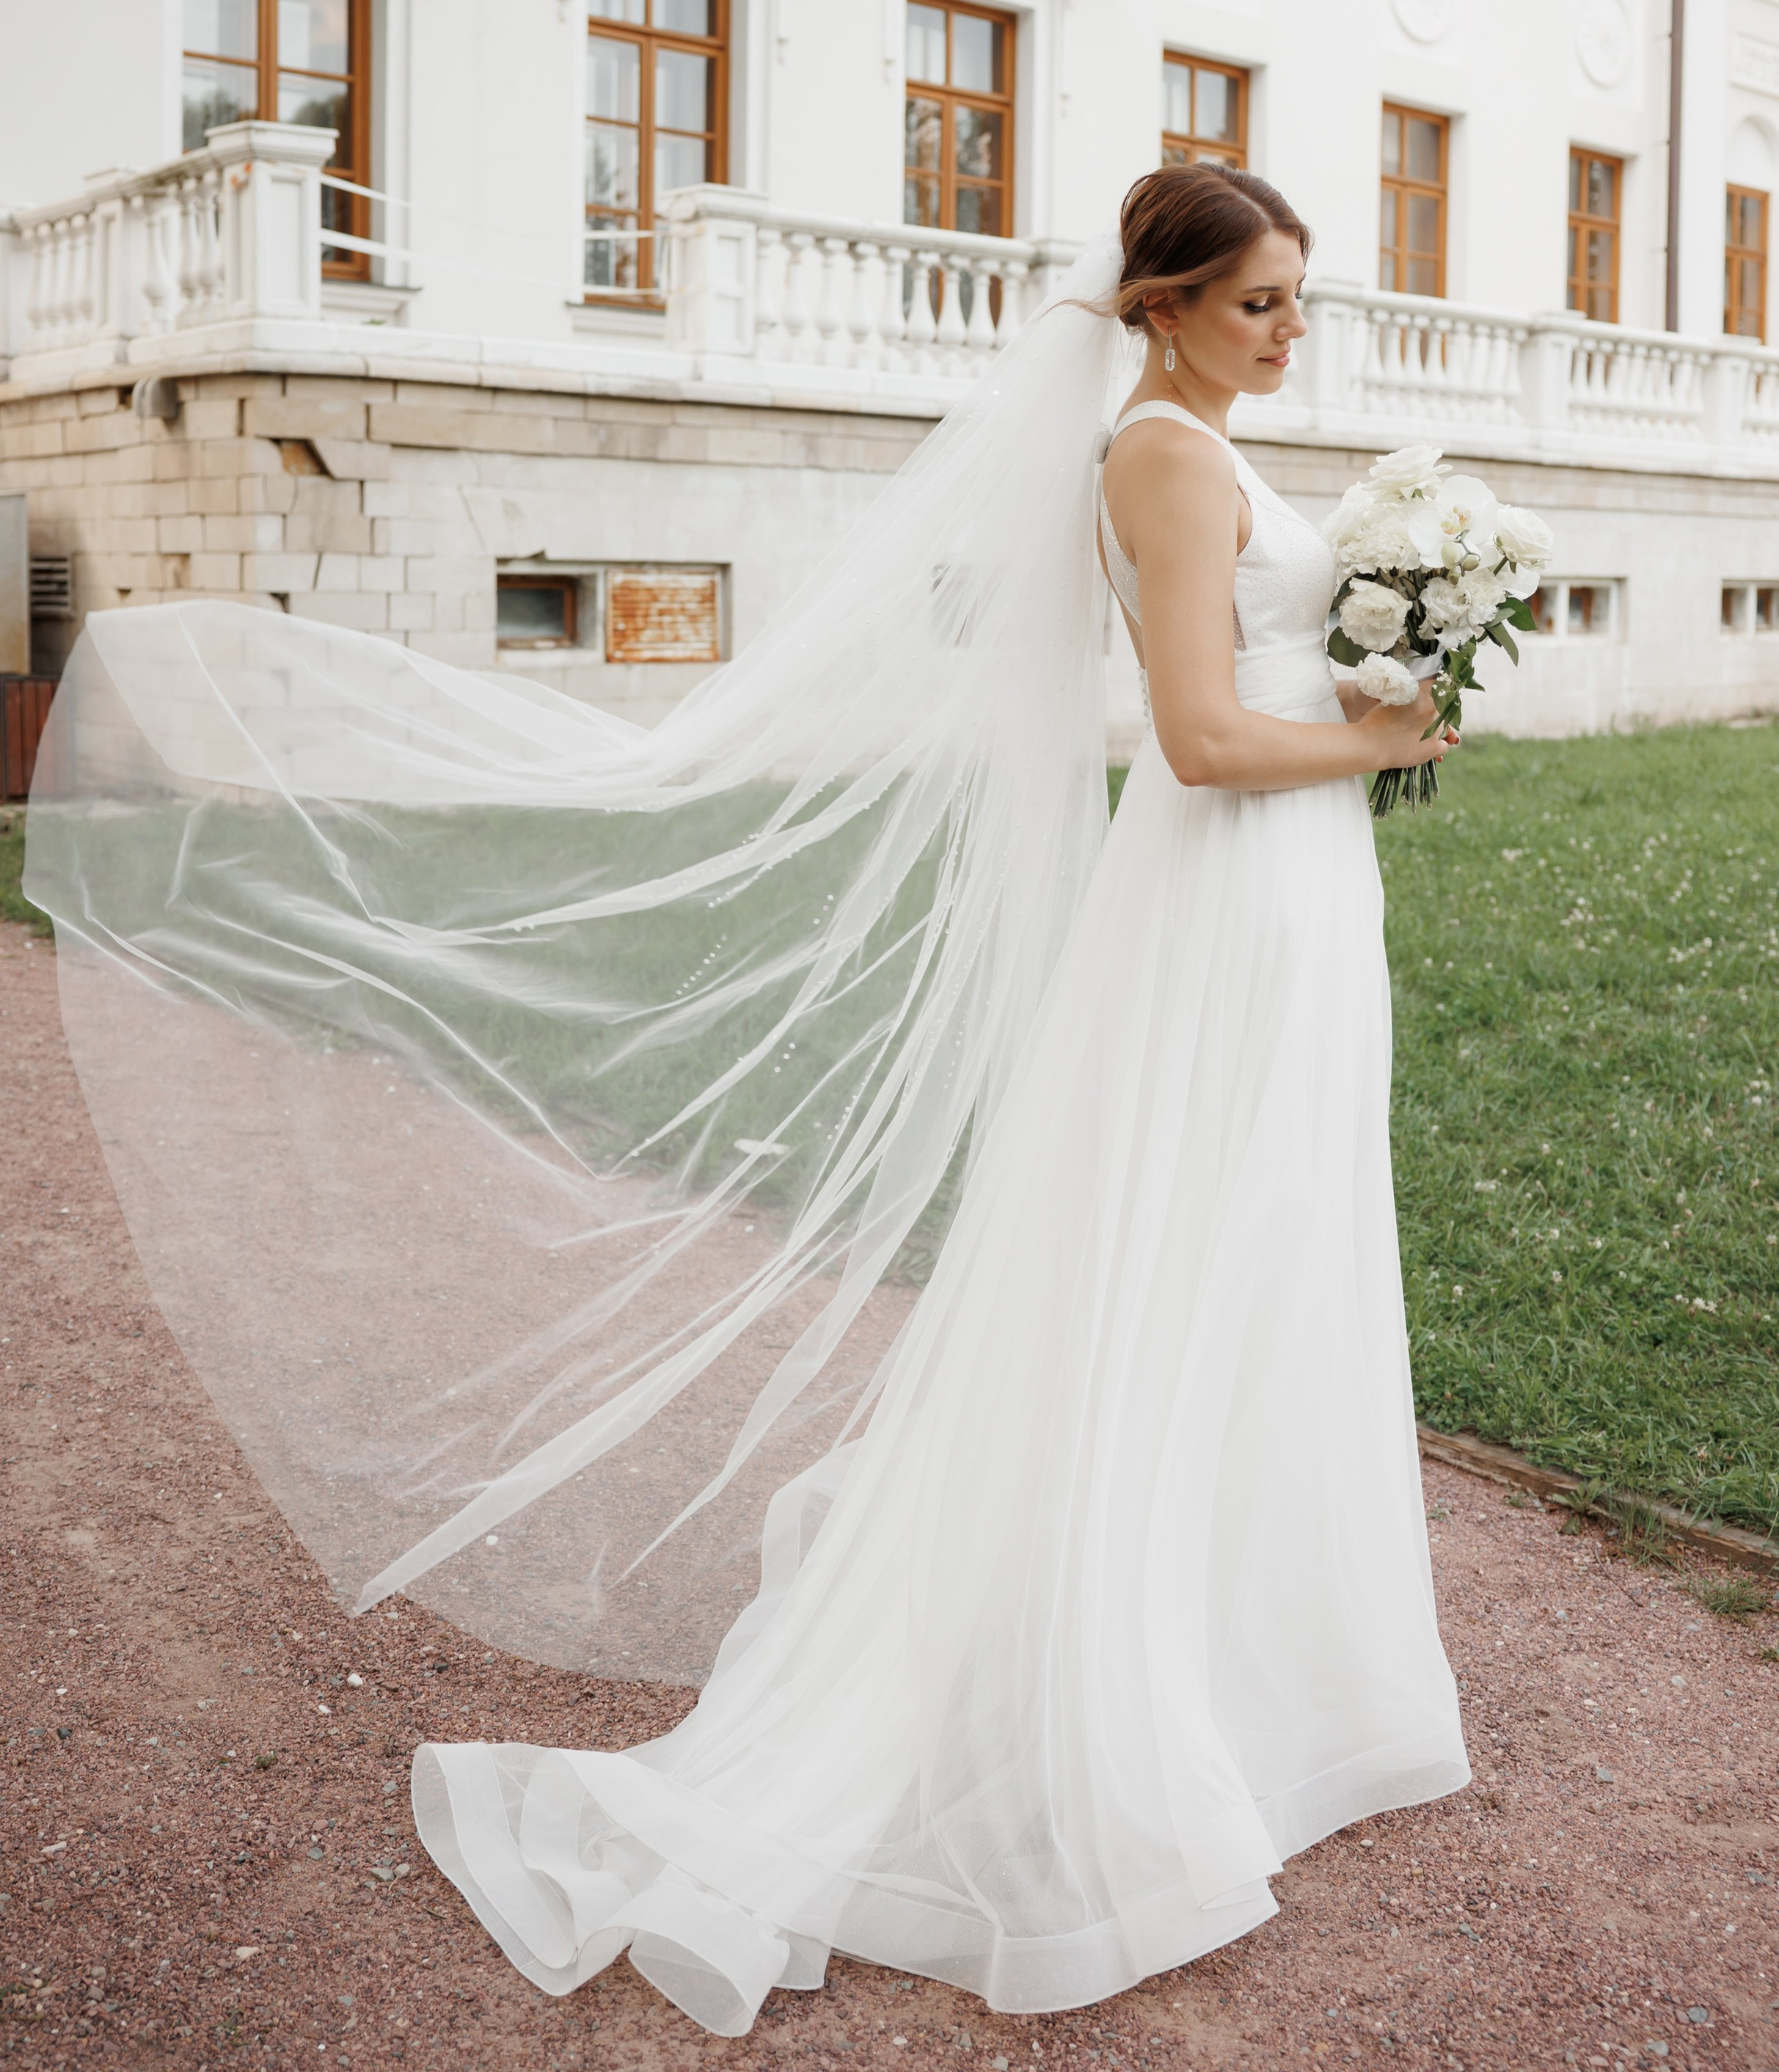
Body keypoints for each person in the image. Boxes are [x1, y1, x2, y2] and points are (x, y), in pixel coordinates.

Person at [29, 164, 1468, 2042]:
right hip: (1226, 893)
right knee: (1190, 1257)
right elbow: (1195, 736)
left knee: (1262, 1249)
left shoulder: (1203, 442)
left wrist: (1391, 672)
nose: (1291, 330)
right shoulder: (1166, 462)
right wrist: (1379, 733)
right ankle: (1134, 1687)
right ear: (1160, 304)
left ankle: (1251, 1664)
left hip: (1286, 898)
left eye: (1299, 299)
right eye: (1261, 300)